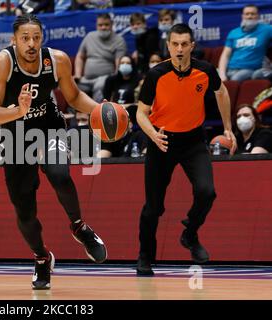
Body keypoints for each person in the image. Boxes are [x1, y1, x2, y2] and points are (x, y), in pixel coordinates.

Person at [0, 13, 107, 290]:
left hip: (49, 127)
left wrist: (99, 109)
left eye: (36, 38)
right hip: (13, 134)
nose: (31, 44)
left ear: (42, 39)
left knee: (59, 173)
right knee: (25, 211)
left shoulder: (57, 59)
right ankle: (41, 258)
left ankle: (79, 227)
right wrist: (18, 110)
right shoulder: (2, 62)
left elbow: (73, 97)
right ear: (14, 40)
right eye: (25, 38)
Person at [136, 24, 237, 276]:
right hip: (162, 141)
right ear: (168, 46)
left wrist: (227, 128)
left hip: (193, 140)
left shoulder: (205, 70)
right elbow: (141, 113)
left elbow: (221, 92)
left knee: (207, 192)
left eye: (184, 44)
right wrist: (152, 135)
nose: (179, 49)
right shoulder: (155, 74)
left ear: (192, 46)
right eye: (175, 44)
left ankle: (190, 234)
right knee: (153, 208)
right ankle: (145, 255)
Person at [74, 13, 127, 102]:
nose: (103, 27)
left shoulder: (119, 40)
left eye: (106, 25)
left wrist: (114, 80)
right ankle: (72, 114)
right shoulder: (90, 36)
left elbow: (119, 63)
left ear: (112, 25)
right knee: (71, 86)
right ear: (96, 26)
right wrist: (78, 74)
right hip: (86, 79)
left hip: (104, 78)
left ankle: (97, 113)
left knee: (100, 86)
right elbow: (80, 56)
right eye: (100, 25)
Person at [218, 4, 272, 82]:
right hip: (231, 70)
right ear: (242, 16)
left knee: (253, 75)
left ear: (258, 16)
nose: (249, 16)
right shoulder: (234, 32)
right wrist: (222, 75)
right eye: (247, 14)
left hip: (252, 70)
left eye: (253, 14)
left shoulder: (267, 30)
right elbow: (225, 55)